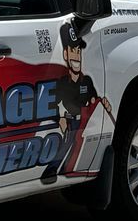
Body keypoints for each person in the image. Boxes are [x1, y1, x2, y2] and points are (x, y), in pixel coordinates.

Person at [41, 19, 115, 183]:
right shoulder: (61, 84)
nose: (77, 56)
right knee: (66, 145)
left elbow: (95, 100)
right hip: (70, 122)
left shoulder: (87, 81)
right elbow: (50, 105)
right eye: (73, 51)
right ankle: (50, 172)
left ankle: (72, 172)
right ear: (66, 54)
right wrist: (59, 118)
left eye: (79, 51)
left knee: (78, 151)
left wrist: (105, 104)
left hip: (87, 124)